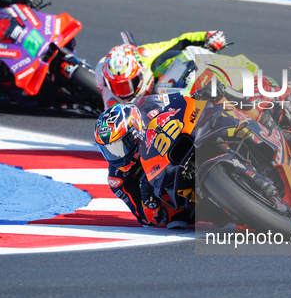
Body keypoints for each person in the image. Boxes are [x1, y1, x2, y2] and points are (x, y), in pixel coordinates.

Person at [94, 103, 191, 229]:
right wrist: (148, 198)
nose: (116, 155)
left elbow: (179, 105)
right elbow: (146, 220)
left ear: (134, 133)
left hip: (182, 151)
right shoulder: (117, 178)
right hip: (178, 197)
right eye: (109, 150)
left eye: (120, 147)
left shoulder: (152, 118)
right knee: (175, 221)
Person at [95, 31, 228, 108]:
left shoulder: (145, 55)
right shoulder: (112, 99)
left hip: (162, 86)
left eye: (129, 83)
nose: (124, 93)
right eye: (118, 87)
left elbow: (179, 42)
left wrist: (207, 36)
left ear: (139, 71)